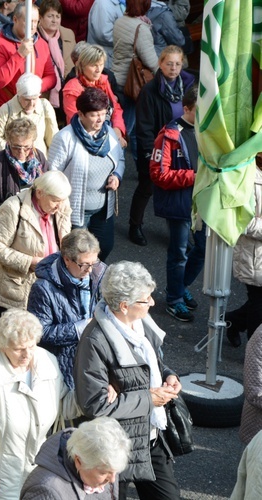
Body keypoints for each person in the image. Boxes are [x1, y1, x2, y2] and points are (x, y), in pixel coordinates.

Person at [73, 260, 182, 500]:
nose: (152, 303)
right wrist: (148, 398)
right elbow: (95, 405)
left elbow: (152, 364)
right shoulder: (95, 341)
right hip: (113, 445)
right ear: (124, 305)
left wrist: (168, 375)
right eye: (146, 299)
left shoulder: (143, 325)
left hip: (149, 438)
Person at [0, 309, 80, 499]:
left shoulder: (48, 362)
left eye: (31, 346)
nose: (27, 354)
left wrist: (90, 392)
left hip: (35, 471)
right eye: (19, 349)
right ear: (2, 345)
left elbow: (64, 408)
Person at [0, 170, 72, 339]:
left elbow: (65, 237)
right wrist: (30, 262)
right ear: (39, 193)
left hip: (48, 286)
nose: (59, 206)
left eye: (62, 201)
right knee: (8, 343)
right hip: (14, 289)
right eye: (55, 200)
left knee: (35, 341)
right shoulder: (12, 208)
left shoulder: (61, 204)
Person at [48, 87, 124, 261]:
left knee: (105, 246)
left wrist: (117, 176)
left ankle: (93, 281)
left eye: (103, 114)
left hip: (103, 208)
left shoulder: (109, 133)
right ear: (81, 114)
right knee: (78, 255)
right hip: (76, 210)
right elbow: (52, 174)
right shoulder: (65, 138)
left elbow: (120, 160)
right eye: (94, 115)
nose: (100, 119)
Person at [149, 84, 203, 323]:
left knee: (202, 249)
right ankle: (174, 300)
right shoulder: (169, 134)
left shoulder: (207, 131)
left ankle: (180, 287)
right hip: (180, 203)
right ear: (187, 108)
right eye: (199, 111)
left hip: (201, 203)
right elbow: (159, 174)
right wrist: (195, 176)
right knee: (179, 253)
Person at [131, 44, 194, 246]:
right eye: (169, 64)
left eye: (177, 63)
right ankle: (135, 225)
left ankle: (178, 233)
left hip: (181, 145)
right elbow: (144, 127)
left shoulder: (189, 84)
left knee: (178, 188)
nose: (174, 68)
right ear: (160, 63)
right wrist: (150, 153)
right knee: (146, 187)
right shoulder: (150, 91)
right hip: (157, 146)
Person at [27, 229, 105, 390]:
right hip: (62, 366)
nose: (90, 270)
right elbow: (39, 333)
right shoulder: (43, 288)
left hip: (95, 358)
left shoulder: (98, 274)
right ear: (67, 260)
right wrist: (80, 328)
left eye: (94, 263)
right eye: (84, 264)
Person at [0, 117, 49, 251]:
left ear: (33, 143)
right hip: (6, 228)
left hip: (34, 226)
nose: (21, 152)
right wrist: (4, 209)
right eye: (16, 147)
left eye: (27, 147)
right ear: (8, 142)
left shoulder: (40, 159)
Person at [20, 416, 131, 499]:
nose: (112, 479)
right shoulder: (46, 491)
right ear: (79, 461)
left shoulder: (106, 467)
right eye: (103, 473)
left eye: (115, 472)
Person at [0, 2, 56, 116]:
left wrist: (33, 89)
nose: (33, 26)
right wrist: (19, 55)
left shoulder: (41, 44)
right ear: (15, 19)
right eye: (28, 21)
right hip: (5, 111)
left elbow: (51, 77)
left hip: (31, 110)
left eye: (35, 21)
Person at [112, 0, 158, 160]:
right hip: (133, 84)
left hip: (118, 78)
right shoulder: (141, 28)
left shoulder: (120, 21)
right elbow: (151, 61)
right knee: (127, 129)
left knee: (120, 125)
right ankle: (120, 166)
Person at [225, 153, 262, 347]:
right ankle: (254, 351)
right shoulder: (247, 174)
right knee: (259, 302)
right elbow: (243, 220)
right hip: (253, 253)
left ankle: (234, 321)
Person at [61, 42, 127, 145]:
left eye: (101, 65)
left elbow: (115, 108)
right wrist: (108, 137)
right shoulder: (72, 88)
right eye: (93, 65)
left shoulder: (104, 80)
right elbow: (76, 121)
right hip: (84, 140)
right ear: (82, 65)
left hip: (109, 134)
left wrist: (118, 130)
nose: (98, 70)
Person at [0, 73, 58, 155]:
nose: (31, 104)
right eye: (27, 100)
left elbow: (53, 140)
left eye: (34, 99)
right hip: (12, 162)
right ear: (19, 96)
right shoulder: (6, 110)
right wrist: (16, 149)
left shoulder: (45, 106)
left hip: (39, 162)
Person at [37, 0, 76, 114]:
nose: (54, 20)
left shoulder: (68, 34)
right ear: (41, 17)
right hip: (43, 93)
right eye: (50, 16)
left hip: (65, 91)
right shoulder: (33, 36)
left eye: (57, 16)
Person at [87, 0, 123, 67]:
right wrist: (126, 39)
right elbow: (104, 34)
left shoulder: (118, 3)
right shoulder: (103, 4)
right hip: (104, 61)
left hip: (111, 58)